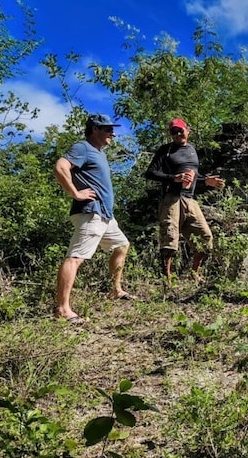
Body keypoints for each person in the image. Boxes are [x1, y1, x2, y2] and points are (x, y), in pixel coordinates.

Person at [53, 113, 135, 324]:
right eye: (107, 129)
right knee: (76, 257)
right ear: (95, 129)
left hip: (105, 215)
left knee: (121, 245)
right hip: (91, 212)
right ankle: (62, 309)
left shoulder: (98, 153)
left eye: (112, 129)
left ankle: (115, 291)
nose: (112, 133)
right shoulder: (83, 147)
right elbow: (61, 167)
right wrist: (75, 193)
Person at [144, 118, 225, 284]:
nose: (178, 134)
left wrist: (205, 181)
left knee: (205, 237)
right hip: (171, 199)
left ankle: (194, 273)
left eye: (180, 130)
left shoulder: (192, 150)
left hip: (190, 199)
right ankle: (166, 280)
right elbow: (150, 173)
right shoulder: (166, 150)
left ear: (188, 131)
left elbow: (194, 175)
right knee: (169, 239)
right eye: (174, 132)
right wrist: (174, 178)